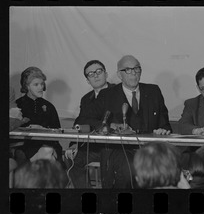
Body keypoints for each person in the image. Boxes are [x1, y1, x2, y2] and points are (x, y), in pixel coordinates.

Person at [78, 55, 173, 188]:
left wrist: (163, 130)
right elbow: (82, 119)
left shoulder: (153, 91)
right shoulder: (107, 95)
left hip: (149, 149)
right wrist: (108, 125)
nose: (133, 73)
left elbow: (165, 124)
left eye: (136, 69)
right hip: (119, 150)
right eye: (128, 70)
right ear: (119, 75)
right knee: (129, 172)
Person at [65, 60, 115, 188]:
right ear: (88, 80)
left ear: (106, 74)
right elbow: (80, 121)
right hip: (91, 146)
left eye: (99, 71)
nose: (96, 76)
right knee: (70, 157)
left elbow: (109, 123)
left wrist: (89, 122)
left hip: (112, 146)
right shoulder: (86, 98)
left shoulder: (117, 92)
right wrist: (73, 144)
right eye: (91, 74)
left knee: (108, 158)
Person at [14, 67, 63, 166]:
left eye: (42, 84)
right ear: (27, 86)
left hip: (48, 143)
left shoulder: (49, 106)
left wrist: (43, 129)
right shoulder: (17, 105)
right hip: (26, 145)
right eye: (36, 85)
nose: (40, 87)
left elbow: (57, 131)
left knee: (48, 152)